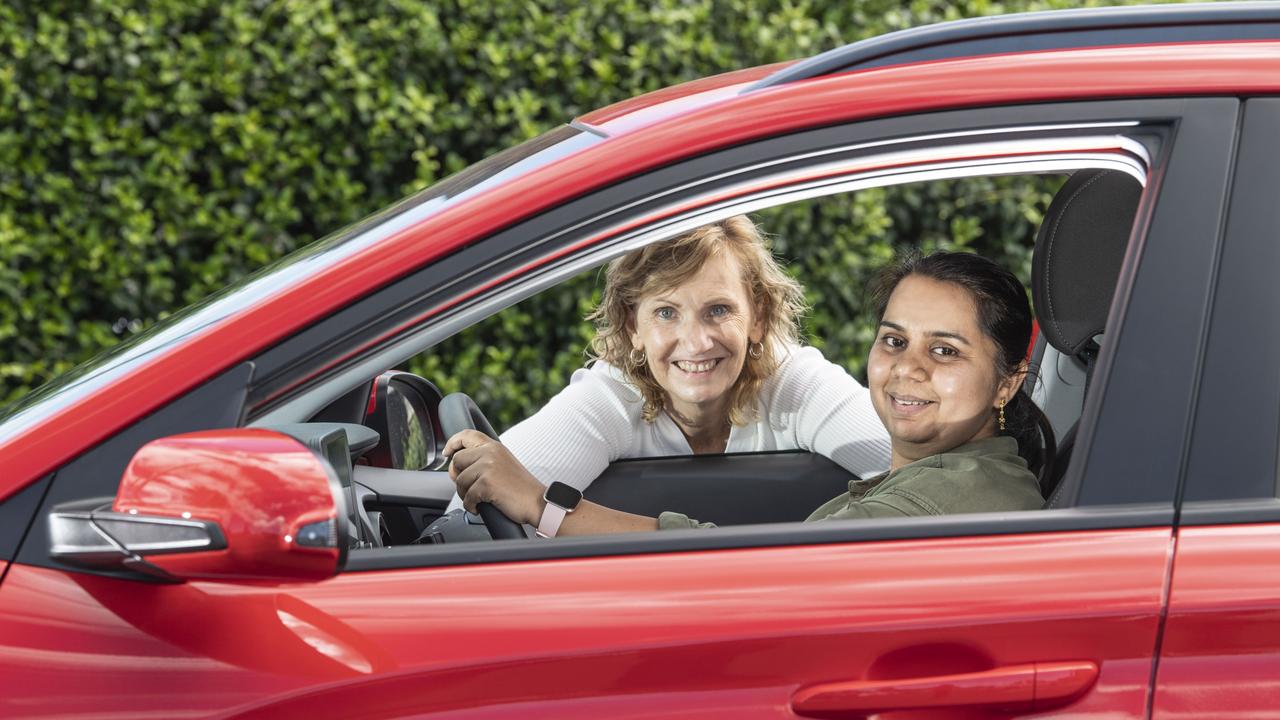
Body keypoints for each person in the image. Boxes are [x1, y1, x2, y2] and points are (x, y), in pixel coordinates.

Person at [444, 249, 1049, 535]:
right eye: (893, 341)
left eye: (944, 351)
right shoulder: (939, 476)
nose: (906, 370)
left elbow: (749, 574)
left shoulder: (940, 506)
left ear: (1008, 381)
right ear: (631, 324)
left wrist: (543, 507)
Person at [444, 215, 891, 514]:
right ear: (632, 326)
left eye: (718, 309)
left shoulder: (795, 382)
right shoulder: (612, 397)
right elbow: (475, 510)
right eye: (666, 313)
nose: (696, 342)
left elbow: (936, 473)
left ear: (756, 316)